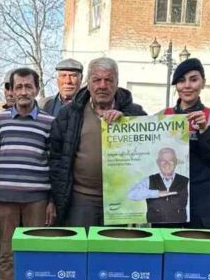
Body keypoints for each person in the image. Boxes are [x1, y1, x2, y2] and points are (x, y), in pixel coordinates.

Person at [0, 67, 55, 280]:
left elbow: (53, 164)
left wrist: (51, 201)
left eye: (28, 86)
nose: (23, 91)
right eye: (19, 87)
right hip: (4, 198)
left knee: (37, 252)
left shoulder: (48, 122)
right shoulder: (0, 120)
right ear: (11, 90)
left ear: (37, 88)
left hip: (37, 198)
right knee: (6, 253)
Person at [48, 57, 145, 227]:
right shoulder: (69, 114)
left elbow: (150, 152)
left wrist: (127, 123)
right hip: (81, 200)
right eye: (97, 80)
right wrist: (54, 198)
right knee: (80, 250)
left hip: (121, 200)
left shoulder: (134, 113)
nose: (102, 85)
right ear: (88, 82)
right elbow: (55, 158)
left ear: (117, 83)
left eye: (108, 80)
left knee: (113, 252)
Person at [160, 57, 210, 227]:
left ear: (203, 82)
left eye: (194, 79)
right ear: (176, 85)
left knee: (201, 251)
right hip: (166, 200)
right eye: (181, 81)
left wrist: (204, 130)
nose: (187, 86)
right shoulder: (161, 117)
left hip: (200, 201)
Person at [127, 147, 189, 224]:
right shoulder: (149, 180)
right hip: (154, 228)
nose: (167, 164)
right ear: (158, 162)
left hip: (179, 228)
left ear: (175, 162)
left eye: (170, 160)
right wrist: (157, 193)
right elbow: (131, 194)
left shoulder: (186, 181)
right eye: (163, 161)